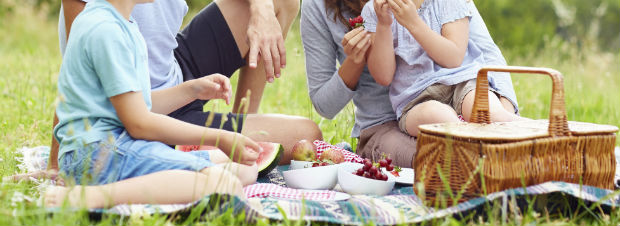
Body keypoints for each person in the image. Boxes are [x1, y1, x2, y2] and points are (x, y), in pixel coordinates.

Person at [48, 0, 323, 171]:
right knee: (305, 134)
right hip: (136, 113)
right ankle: (226, 140)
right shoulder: (99, 21)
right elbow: (78, 77)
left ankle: (243, 123)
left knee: (280, 1)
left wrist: (261, 9)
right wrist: (56, 162)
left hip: (178, 74)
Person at [45, 0, 260, 208]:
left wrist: (192, 90)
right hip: (97, 153)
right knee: (224, 184)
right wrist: (219, 137)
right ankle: (89, 197)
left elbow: (137, 106)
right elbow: (138, 123)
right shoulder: (106, 31)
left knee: (246, 170)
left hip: (112, 145)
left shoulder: (122, 23)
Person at [301, 0, 519, 167]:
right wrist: (356, 61)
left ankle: (530, 148)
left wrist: (500, 114)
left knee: (490, 118)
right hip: (395, 117)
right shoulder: (371, 11)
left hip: (462, 86)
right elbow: (326, 105)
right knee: (445, 158)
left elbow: (482, 52)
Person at [363, 0, 527, 137]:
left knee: (489, 113)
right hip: (415, 98)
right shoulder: (374, 11)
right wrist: (383, 25)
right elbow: (383, 77)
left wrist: (413, 23)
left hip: (462, 81)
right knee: (439, 118)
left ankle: (541, 132)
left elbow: (453, 58)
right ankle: (475, 146)